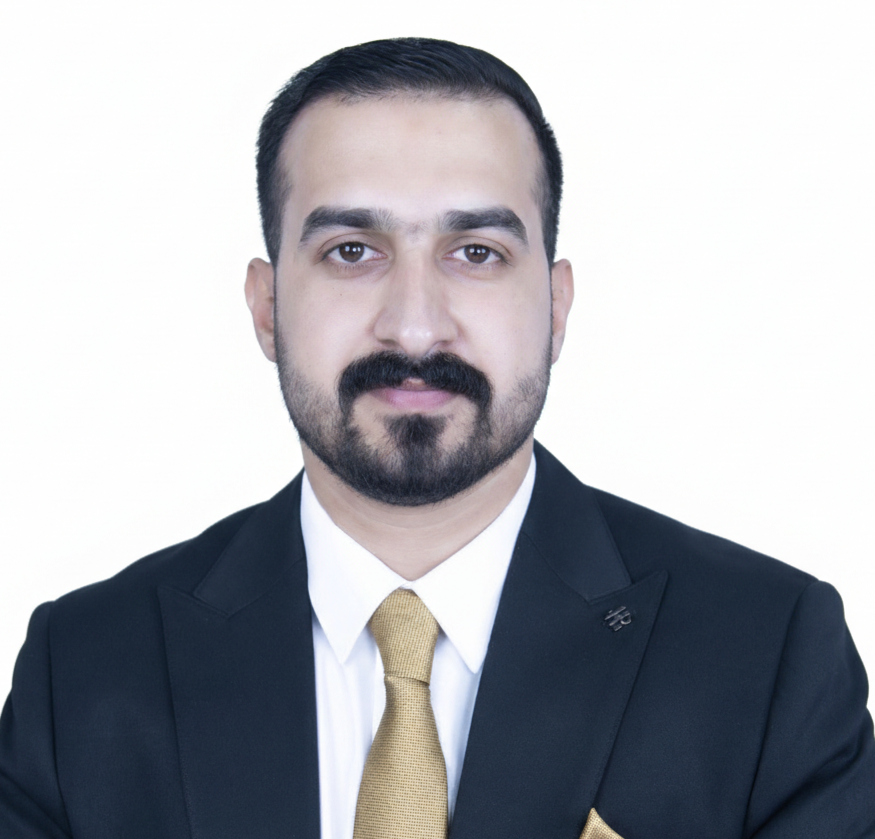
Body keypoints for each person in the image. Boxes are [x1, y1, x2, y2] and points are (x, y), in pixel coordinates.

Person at [1, 36, 873, 839]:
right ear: (267, 307)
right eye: (352, 250)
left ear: (556, 306)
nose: (414, 326)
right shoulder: (81, 673)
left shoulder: (766, 656)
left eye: (476, 252)